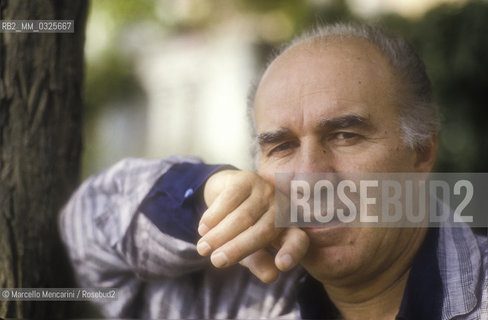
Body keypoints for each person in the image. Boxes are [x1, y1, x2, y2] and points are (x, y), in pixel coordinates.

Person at [59, 22, 488, 319]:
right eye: (281, 147)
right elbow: (86, 228)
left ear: (421, 153)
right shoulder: (232, 297)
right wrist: (206, 197)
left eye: (344, 135)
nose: (308, 177)